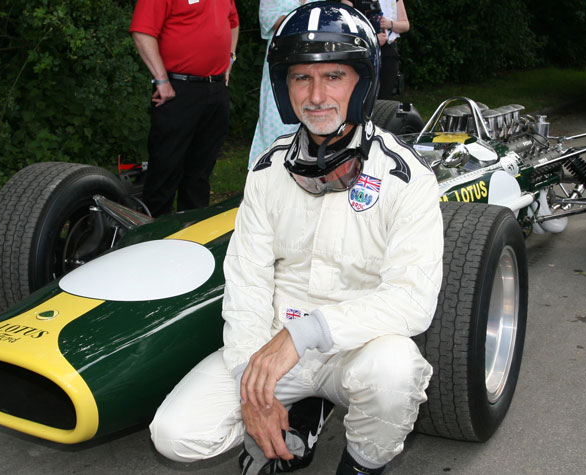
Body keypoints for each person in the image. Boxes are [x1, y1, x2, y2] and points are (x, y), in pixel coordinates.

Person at [148, 3, 443, 474]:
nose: (316, 95)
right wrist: (252, 381)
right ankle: (284, 423)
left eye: (334, 77)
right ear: (285, 90)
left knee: (396, 374)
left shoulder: (408, 179)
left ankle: (364, 464)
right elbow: (246, 281)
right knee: (176, 434)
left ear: (362, 84)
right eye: (301, 78)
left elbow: (412, 300)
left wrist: (305, 333)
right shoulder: (266, 171)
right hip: (271, 343)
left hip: (355, 348)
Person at [129, 0, 239, 217]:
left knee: (200, 174)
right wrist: (161, 79)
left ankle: (191, 236)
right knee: (165, 170)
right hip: (179, 89)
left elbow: (233, 22)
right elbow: (142, 32)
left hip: (216, 89)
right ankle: (152, 235)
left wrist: (230, 58)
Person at [248, 0, 315, 169]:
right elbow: (271, 21)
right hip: (282, 63)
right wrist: (309, 18)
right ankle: (270, 169)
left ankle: (308, 167)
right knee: (276, 115)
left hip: (313, 62)